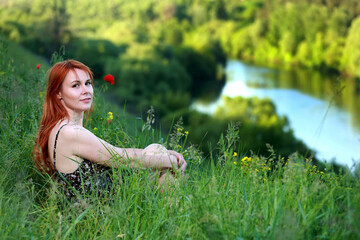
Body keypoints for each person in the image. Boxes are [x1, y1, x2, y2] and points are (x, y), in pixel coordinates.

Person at [33, 59, 187, 200]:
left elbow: (121, 153)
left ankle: (175, 218)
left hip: (100, 201)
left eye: (87, 83)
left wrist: (167, 156)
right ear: (58, 93)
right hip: (94, 213)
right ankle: (177, 222)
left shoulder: (61, 125)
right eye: (75, 85)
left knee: (156, 150)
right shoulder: (71, 133)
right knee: (164, 165)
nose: (86, 90)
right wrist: (172, 161)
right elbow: (122, 159)